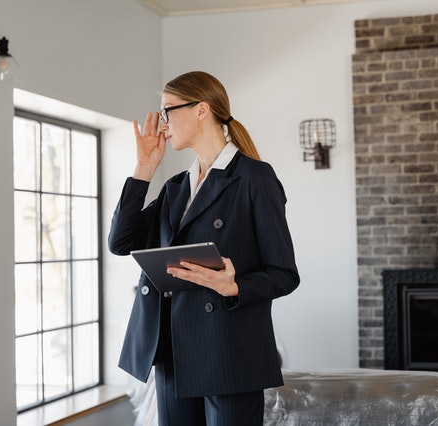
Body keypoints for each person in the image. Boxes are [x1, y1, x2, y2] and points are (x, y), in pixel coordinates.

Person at [108, 71, 300, 426]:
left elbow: (285, 274)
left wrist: (233, 286)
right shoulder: (176, 187)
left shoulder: (254, 178)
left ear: (201, 110)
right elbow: (120, 243)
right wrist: (143, 170)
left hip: (228, 351)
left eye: (167, 111)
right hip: (172, 349)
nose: (162, 124)